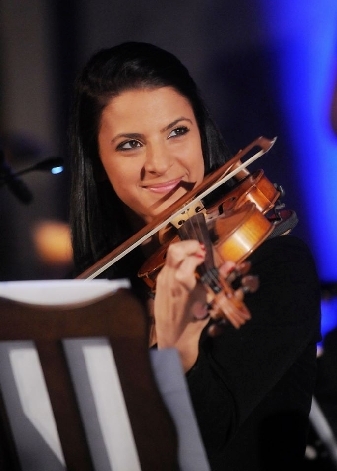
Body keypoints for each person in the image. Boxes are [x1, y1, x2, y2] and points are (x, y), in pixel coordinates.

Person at [69, 41, 321, 470]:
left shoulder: (278, 268)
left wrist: (180, 347)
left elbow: (207, 443)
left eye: (177, 131)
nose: (160, 164)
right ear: (98, 161)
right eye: (130, 144)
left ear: (201, 131)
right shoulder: (108, 290)